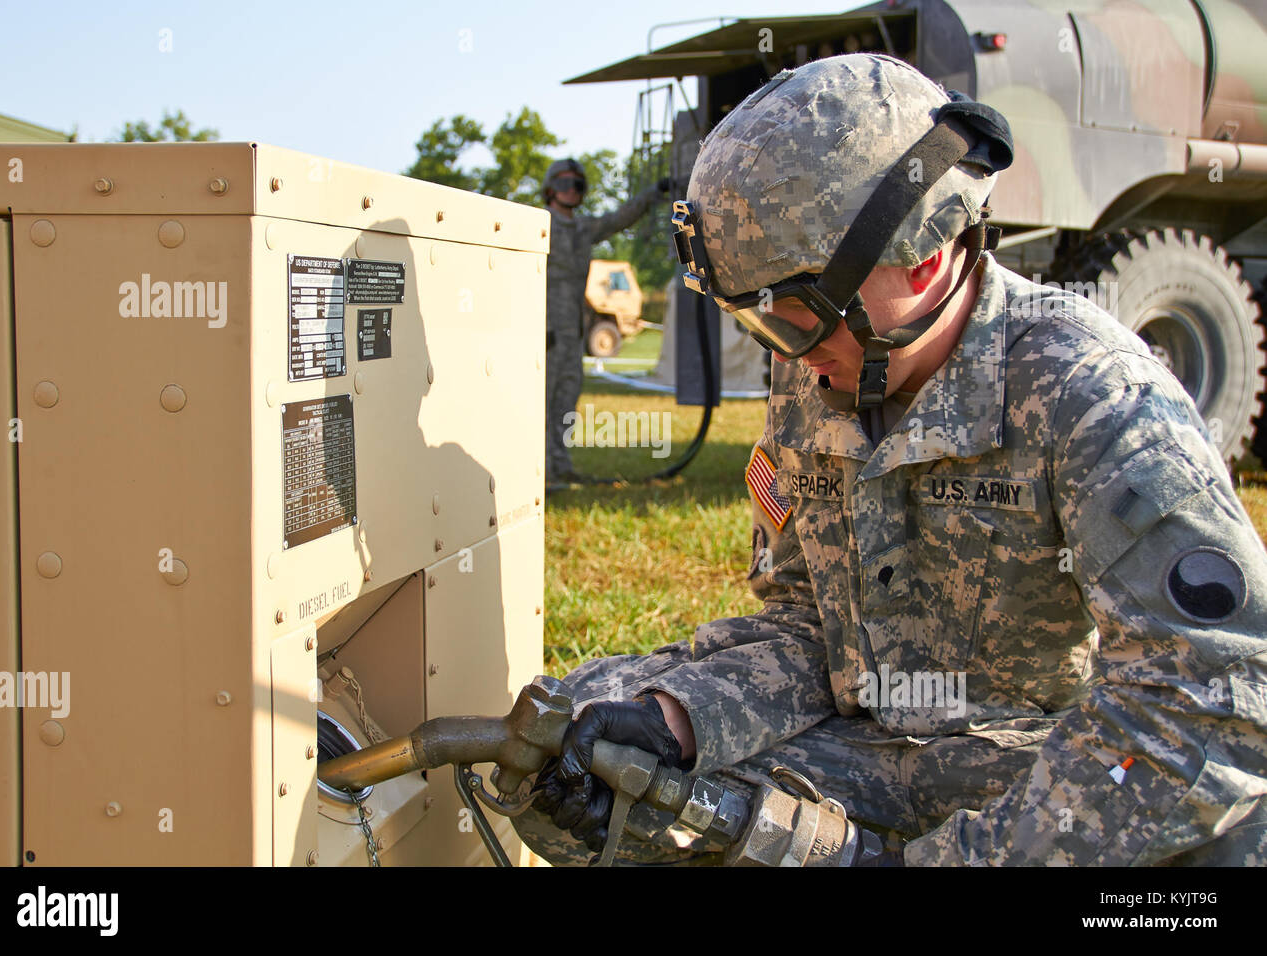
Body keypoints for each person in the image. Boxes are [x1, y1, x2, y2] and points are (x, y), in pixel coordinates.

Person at [513, 53, 1267, 865]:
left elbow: (1209, 700)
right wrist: (679, 716)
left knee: (1219, 845)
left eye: (797, 316)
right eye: (760, 325)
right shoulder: (823, 370)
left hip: (1028, 771)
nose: (791, 358)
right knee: (582, 756)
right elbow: (807, 625)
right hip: (866, 750)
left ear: (925, 255)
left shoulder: (1092, 391)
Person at [542, 158, 669, 485]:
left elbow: (618, 219)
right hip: (544, 331)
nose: (571, 191)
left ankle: (560, 463)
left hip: (573, 331)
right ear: (550, 188)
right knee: (541, 400)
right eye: (563, 184)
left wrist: (653, 194)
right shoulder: (537, 225)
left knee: (567, 398)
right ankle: (540, 471)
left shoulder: (582, 229)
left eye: (577, 185)